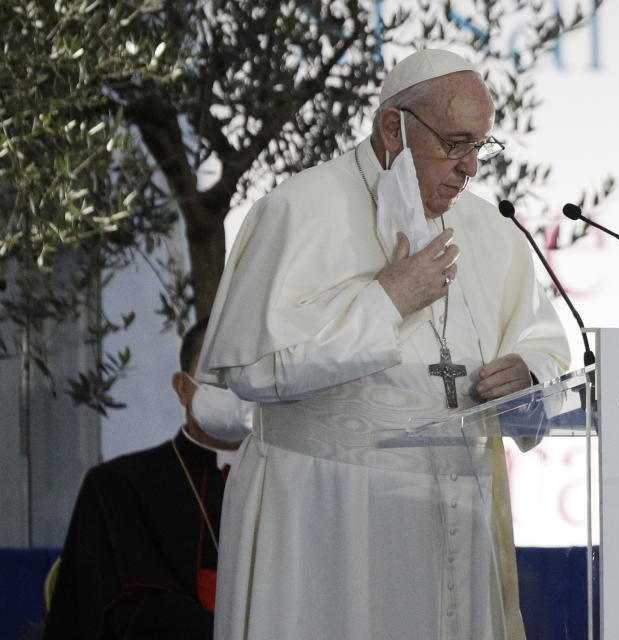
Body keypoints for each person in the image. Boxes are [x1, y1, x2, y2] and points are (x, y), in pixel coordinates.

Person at [196, 49, 570, 639]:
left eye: (481, 146)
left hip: (457, 507)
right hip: (326, 516)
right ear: (393, 127)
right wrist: (386, 301)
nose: (470, 167)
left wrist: (527, 371)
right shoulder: (296, 210)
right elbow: (252, 367)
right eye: (455, 143)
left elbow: (544, 341)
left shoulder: (490, 228)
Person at [43, 319, 251, 639]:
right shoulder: (118, 486)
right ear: (183, 387)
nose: (233, 384)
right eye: (215, 370)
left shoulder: (293, 487)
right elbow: (113, 614)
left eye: (246, 370)